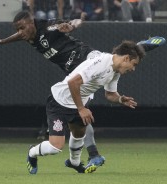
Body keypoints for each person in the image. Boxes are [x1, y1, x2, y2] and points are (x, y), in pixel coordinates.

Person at [0, 10, 165, 170]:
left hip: (82, 58)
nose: (20, 33)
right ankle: (84, 157)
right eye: (18, 30)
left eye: (22, 28)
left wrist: (72, 25)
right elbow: (20, 35)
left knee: (83, 118)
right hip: (74, 76)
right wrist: (2, 41)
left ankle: (141, 46)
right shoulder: (30, 36)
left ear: (32, 23)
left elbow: (71, 24)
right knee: (78, 123)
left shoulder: (48, 26)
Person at [27, 40, 146, 174]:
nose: (133, 69)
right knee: (56, 147)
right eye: (134, 64)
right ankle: (32, 152)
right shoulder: (101, 63)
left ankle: (74, 162)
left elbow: (110, 94)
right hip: (60, 101)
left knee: (79, 135)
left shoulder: (115, 71)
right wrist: (82, 109)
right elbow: (73, 83)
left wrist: (120, 99)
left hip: (78, 104)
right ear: (126, 58)